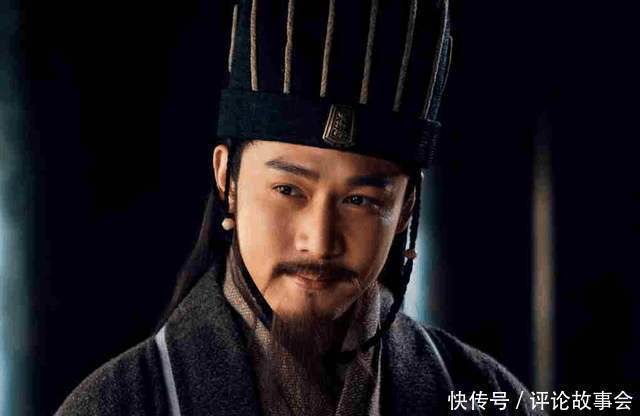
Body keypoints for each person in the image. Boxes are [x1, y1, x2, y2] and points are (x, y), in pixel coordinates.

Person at [57, 1, 543, 415]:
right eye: (288, 190)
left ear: (405, 208)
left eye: (360, 200)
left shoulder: (485, 396)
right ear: (227, 178)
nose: (319, 240)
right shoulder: (120, 403)